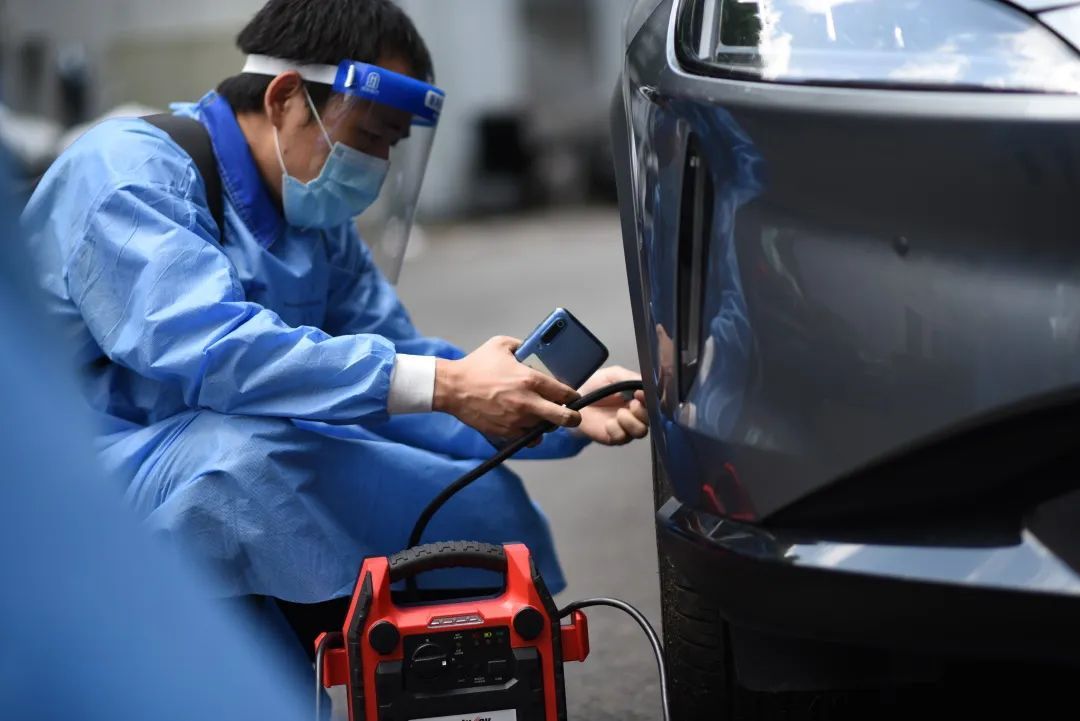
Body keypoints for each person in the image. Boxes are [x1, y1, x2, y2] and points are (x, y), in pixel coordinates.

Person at [21, 0, 648, 652]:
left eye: (391, 146)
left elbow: (401, 369)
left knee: (482, 508)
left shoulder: (314, 225)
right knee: (248, 466)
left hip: (197, 460)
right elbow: (214, 350)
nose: (377, 165)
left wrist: (559, 407)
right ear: (286, 97)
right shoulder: (128, 174)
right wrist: (446, 383)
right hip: (72, 479)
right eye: (370, 135)